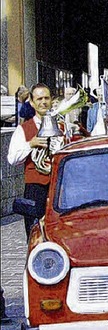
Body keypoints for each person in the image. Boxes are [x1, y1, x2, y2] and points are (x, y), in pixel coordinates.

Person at [7, 83, 54, 238]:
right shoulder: (23, 129)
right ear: (32, 103)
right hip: (35, 187)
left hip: (58, 186)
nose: (43, 102)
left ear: (51, 100)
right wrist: (30, 144)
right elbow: (12, 158)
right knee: (35, 233)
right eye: (39, 98)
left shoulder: (61, 125)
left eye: (47, 98)